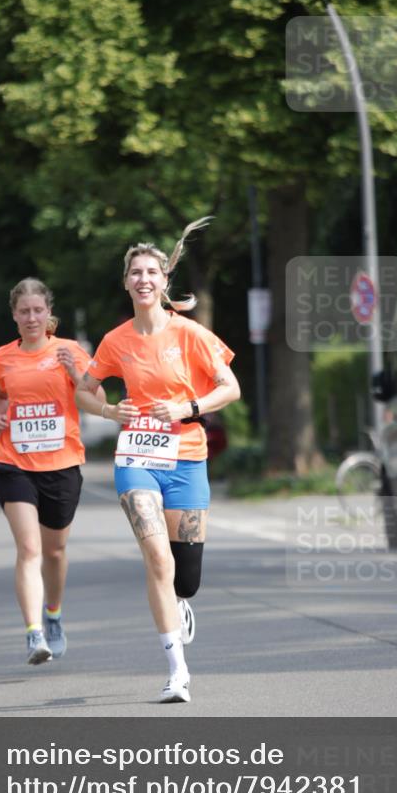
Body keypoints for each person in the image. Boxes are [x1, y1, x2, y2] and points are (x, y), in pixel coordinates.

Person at [76, 218, 241, 703]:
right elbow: (85, 390)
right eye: (135, 273)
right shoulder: (115, 341)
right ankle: (177, 671)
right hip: (138, 458)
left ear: (164, 281)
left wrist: (188, 408)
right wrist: (109, 409)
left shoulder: (191, 334)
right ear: (126, 282)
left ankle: (181, 603)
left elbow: (230, 388)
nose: (143, 279)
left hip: (188, 458)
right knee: (156, 557)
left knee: (185, 575)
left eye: (152, 272)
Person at [0, 278, 103, 665]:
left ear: (48, 312)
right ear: (15, 316)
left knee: (54, 551)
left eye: (38, 310)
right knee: (30, 549)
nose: (32, 317)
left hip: (62, 465)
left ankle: (53, 614)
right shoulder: (4, 355)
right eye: (25, 311)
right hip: (13, 463)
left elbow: (97, 400)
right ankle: (33, 633)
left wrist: (75, 373)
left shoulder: (70, 350)